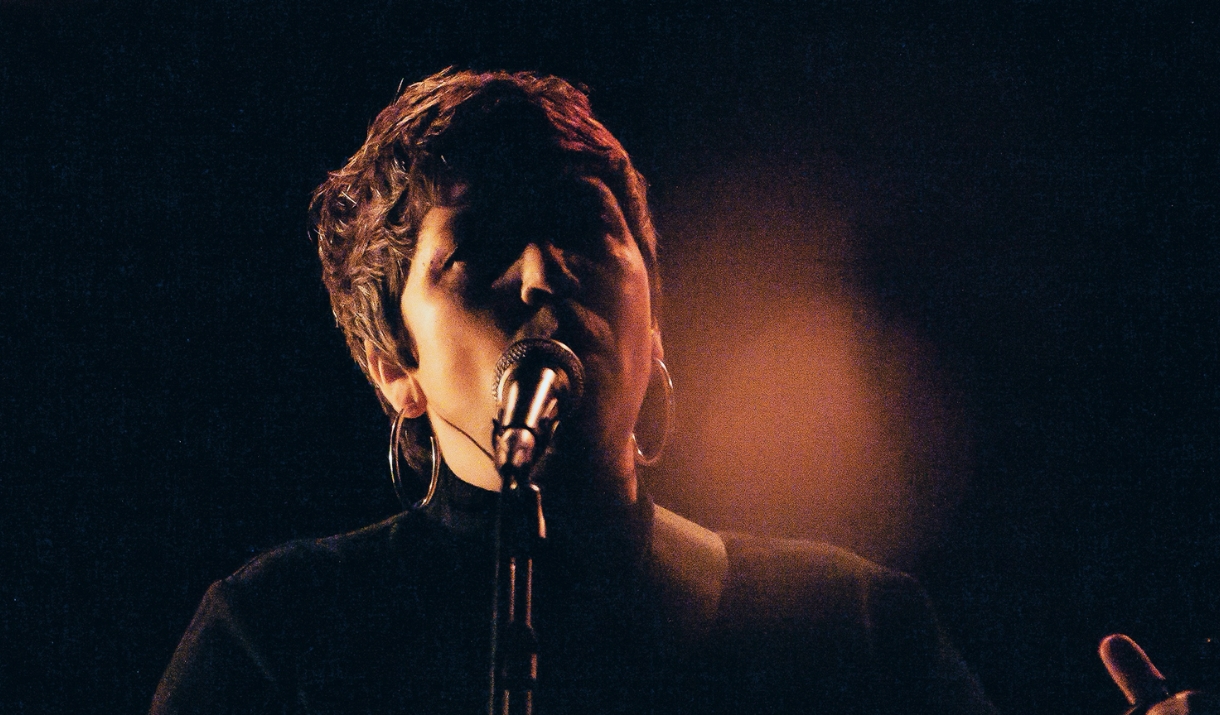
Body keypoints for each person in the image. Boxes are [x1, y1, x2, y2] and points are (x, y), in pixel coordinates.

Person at [149, 69, 1205, 715]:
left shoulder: (847, 629)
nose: (541, 274)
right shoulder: (278, 637)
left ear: (655, 328)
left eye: (585, 228)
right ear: (394, 367)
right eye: (473, 252)